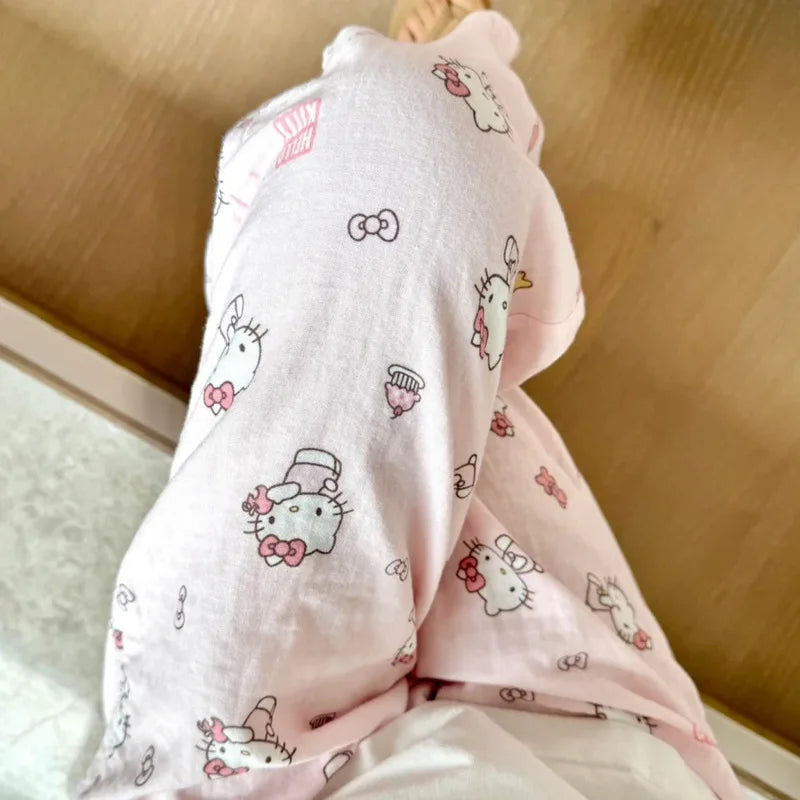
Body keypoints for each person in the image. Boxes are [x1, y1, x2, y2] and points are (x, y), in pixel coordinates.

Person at [78, 1, 742, 797]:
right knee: (443, 309)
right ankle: (471, 97)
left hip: (248, 765)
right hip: (585, 741)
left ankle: (466, 97)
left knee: (408, 144)